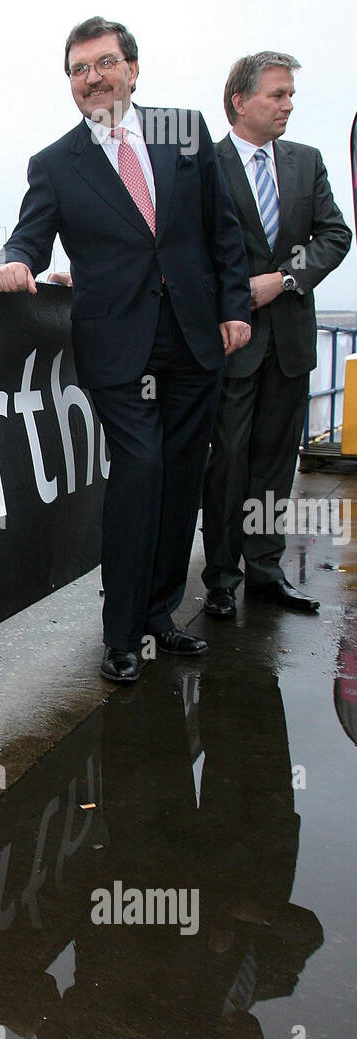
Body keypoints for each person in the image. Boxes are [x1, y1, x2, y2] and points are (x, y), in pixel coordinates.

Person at [0, 16, 251, 683]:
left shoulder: (182, 130)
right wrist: (10, 261)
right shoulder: (54, 163)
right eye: (78, 70)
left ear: (132, 69)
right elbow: (30, 235)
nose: (91, 79)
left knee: (181, 477)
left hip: (195, 337)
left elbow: (221, 229)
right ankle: (120, 634)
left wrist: (233, 308)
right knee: (139, 473)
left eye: (103, 63)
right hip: (115, 344)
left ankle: (161, 615)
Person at [201, 52, 352, 618]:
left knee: (274, 464)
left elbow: (335, 235)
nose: (289, 105)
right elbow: (189, 252)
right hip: (230, 343)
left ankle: (265, 572)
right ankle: (220, 577)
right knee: (228, 461)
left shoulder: (306, 162)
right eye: (278, 95)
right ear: (240, 101)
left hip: (289, 343)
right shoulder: (203, 165)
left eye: (291, 95)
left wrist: (285, 279)